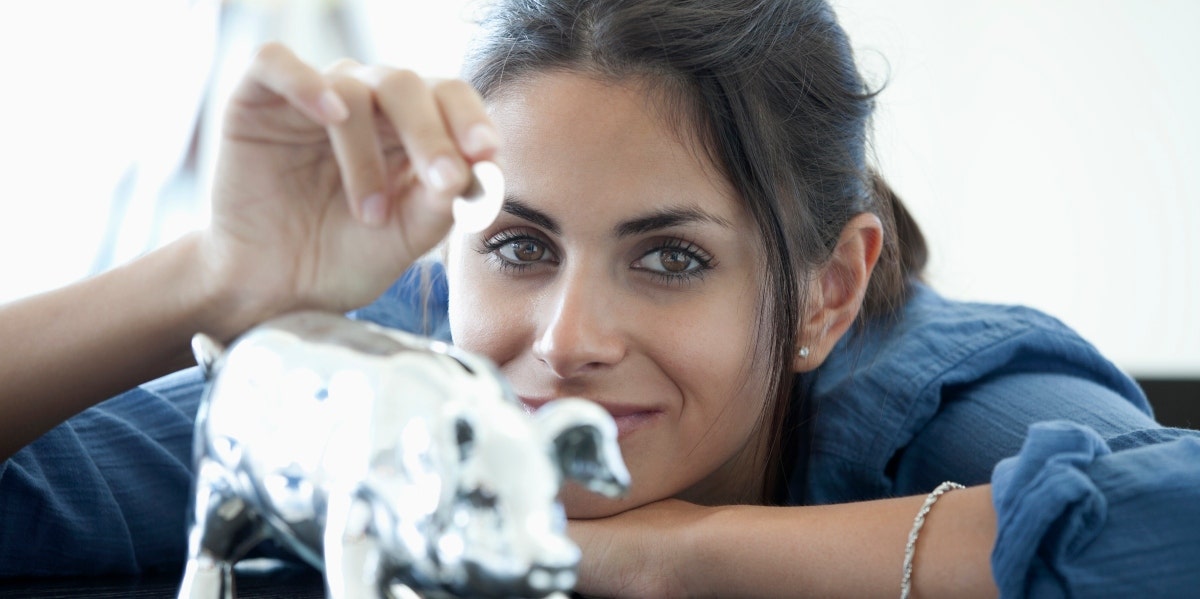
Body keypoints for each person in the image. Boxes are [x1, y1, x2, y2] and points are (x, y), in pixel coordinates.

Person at [2, 0, 1198, 596]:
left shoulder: (940, 399)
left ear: (826, 292)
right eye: (521, 245)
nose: (564, 343)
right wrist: (216, 277)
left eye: (670, 257)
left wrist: (675, 553)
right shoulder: (414, 365)